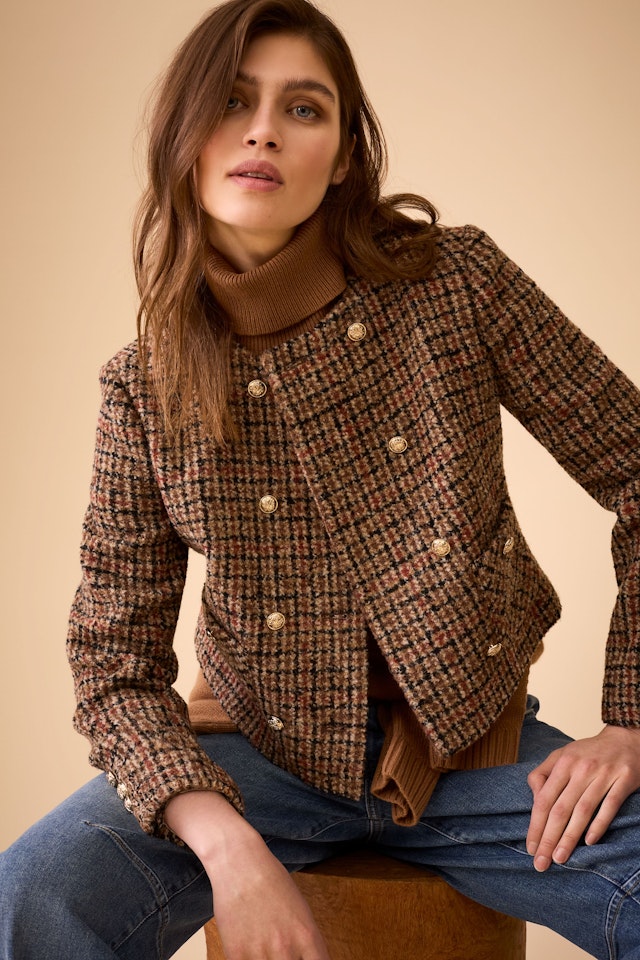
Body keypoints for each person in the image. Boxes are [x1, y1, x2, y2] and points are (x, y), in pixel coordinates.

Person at [1, 0, 639, 957]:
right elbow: (113, 663)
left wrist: (632, 722)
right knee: (33, 896)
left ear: (342, 156)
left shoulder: (455, 282)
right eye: (232, 101)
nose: (262, 130)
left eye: (303, 108)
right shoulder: (144, 387)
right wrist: (225, 842)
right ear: (184, 137)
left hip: (478, 758)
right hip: (254, 759)